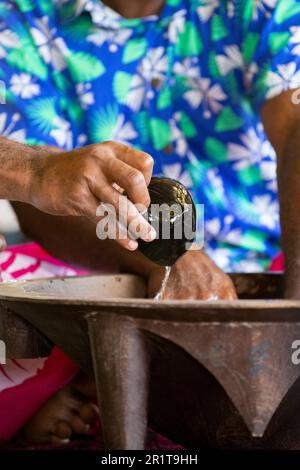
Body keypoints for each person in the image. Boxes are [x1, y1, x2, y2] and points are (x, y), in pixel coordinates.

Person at [0, 0, 299, 445]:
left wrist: (293, 310)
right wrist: (162, 258)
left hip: (264, 266)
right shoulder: (22, 17)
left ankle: (102, 386)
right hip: (99, 271)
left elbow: (295, 125)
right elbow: (39, 206)